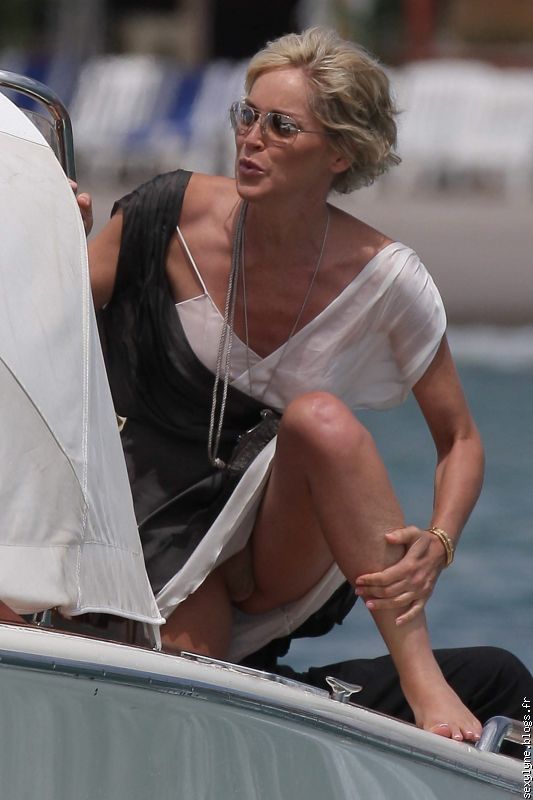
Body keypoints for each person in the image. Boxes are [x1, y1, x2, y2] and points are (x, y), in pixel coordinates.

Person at [84, 27, 490, 743]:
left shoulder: (384, 278)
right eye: (247, 115)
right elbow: (36, 325)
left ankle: (422, 678)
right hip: (140, 499)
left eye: (281, 125)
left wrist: (440, 538)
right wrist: (54, 237)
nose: (251, 139)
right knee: (183, 679)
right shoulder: (165, 215)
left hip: (268, 543)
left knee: (321, 420)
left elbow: (458, 439)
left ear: (340, 152)